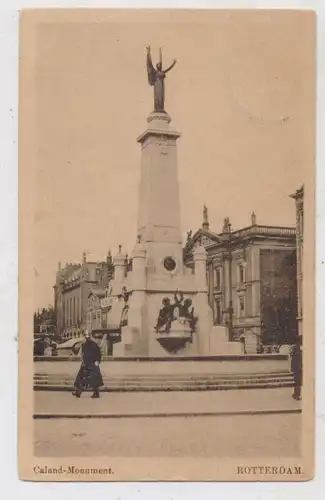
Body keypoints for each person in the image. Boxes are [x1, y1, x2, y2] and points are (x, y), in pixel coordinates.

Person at [72, 331, 104, 398]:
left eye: (88, 337)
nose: (87, 338)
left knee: (91, 380)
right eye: (86, 337)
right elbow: (84, 354)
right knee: (83, 379)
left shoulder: (93, 345)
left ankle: (95, 393)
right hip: (87, 364)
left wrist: (97, 361)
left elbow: (98, 354)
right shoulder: (85, 345)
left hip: (91, 364)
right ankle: (78, 392)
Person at [291, 335, 302, 400]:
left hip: (297, 369)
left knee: (297, 382)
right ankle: (296, 394)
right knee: (298, 382)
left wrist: (292, 368)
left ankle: (296, 394)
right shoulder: (298, 348)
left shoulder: (296, 348)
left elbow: (294, 359)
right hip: (299, 368)